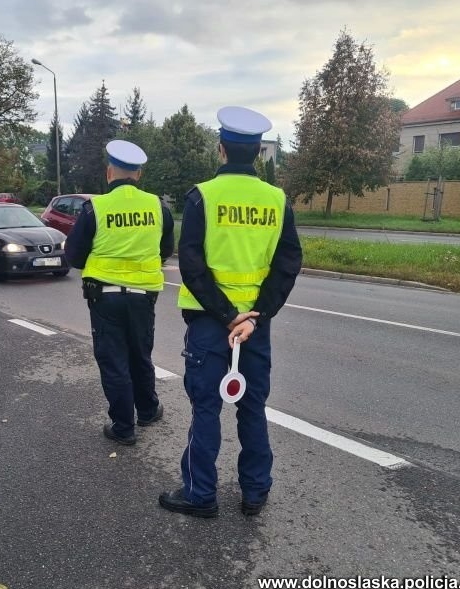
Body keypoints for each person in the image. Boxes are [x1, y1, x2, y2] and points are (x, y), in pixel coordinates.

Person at [158, 106, 302, 518]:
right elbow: (288, 261)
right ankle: (255, 492)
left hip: (210, 322)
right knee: (253, 406)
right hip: (255, 327)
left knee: (206, 408)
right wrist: (255, 314)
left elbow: (191, 263)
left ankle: (200, 494)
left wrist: (226, 315)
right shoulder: (277, 200)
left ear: (220, 149)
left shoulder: (203, 195)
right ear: (258, 152)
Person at [65, 140, 175, 446]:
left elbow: (74, 256)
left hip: (105, 298)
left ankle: (124, 427)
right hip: (144, 298)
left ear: (109, 172)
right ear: (138, 174)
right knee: (141, 354)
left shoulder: (95, 208)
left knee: (115, 360)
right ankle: (149, 410)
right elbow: (166, 250)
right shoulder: (158, 207)